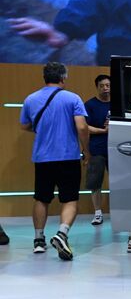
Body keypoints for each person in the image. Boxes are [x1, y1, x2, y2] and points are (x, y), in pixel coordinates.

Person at [20, 62, 90, 261]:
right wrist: (86, 150)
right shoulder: (73, 98)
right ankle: (62, 233)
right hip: (68, 156)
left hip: (42, 157)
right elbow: (82, 127)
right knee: (69, 199)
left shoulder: (31, 99)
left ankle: (39, 240)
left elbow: (24, 125)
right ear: (63, 78)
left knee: (41, 198)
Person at [85, 75, 111, 225]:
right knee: (95, 182)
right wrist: (103, 131)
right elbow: (84, 127)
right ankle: (98, 213)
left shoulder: (118, 105)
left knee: (119, 181)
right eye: (102, 86)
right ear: (97, 87)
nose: (105, 88)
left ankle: (120, 212)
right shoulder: (89, 105)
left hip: (116, 149)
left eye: (107, 85)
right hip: (96, 149)